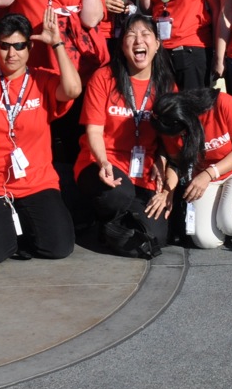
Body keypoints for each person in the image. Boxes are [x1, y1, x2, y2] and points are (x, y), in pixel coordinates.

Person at [0, 12, 81, 261]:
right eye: (5, 46)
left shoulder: (42, 78)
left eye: (19, 46)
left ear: (30, 47)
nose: (12, 53)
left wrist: (57, 44)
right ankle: (10, 232)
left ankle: (20, 229)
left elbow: (73, 89)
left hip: (36, 182)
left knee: (58, 248)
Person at [76, 14, 177, 253]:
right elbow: (94, 130)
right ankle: (108, 219)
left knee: (156, 237)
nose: (138, 40)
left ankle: (110, 228)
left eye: (145, 34)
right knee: (119, 195)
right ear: (122, 46)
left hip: (143, 172)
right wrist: (103, 162)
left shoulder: (166, 86)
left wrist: (163, 169)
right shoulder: (104, 78)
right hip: (101, 164)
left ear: (157, 44)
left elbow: (171, 142)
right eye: (131, 35)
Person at [150, 88, 232, 249]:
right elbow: (177, 163)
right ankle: (223, 211)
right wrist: (167, 192)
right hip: (203, 175)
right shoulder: (167, 122)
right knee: (205, 240)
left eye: (182, 133)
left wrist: (209, 174)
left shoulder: (223, 103)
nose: (180, 137)